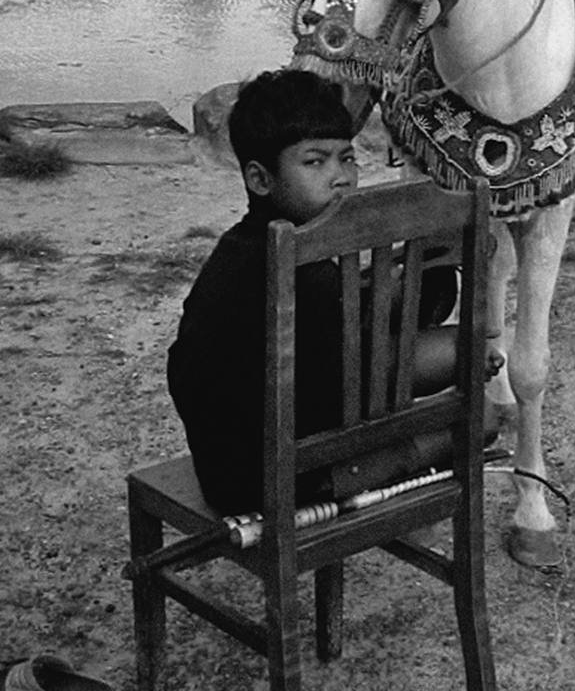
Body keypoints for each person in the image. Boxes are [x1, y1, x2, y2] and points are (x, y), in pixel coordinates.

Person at [167, 68, 467, 516]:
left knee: (419, 340)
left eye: (347, 158)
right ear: (260, 179)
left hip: (229, 469)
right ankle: (396, 472)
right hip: (278, 483)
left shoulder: (241, 249)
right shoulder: (303, 266)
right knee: (478, 415)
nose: (341, 176)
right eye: (315, 161)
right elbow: (346, 390)